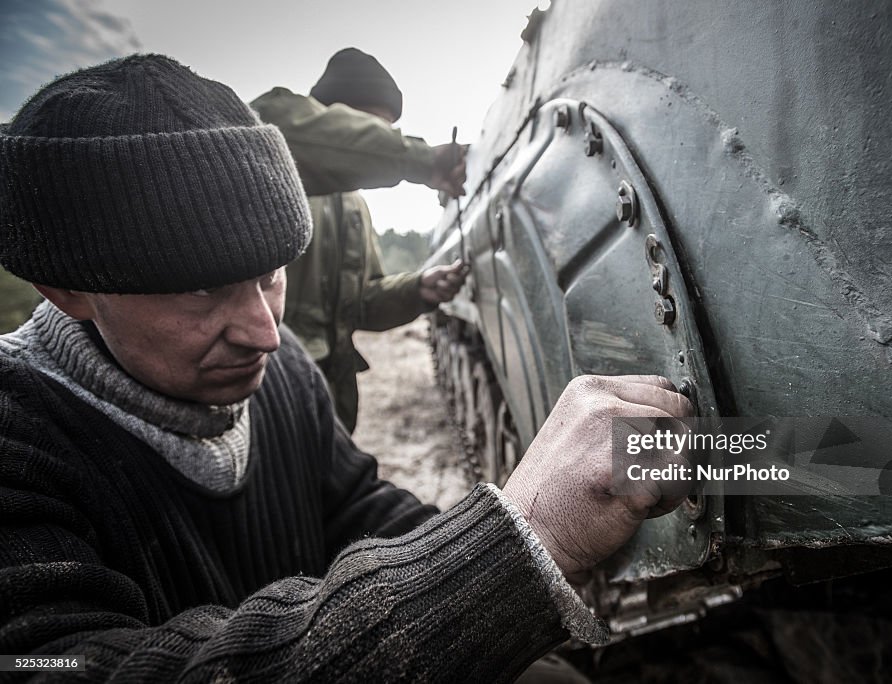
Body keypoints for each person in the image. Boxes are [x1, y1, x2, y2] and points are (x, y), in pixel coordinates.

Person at [0, 55, 692, 681]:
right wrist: (514, 547)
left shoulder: (287, 371)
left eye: (273, 277)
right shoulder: (18, 439)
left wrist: (527, 536)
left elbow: (356, 507)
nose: (266, 334)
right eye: (204, 290)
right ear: (67, 289)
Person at [251, 48, 467, 432]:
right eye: (374, 128)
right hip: (264, 390)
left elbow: (362, 303)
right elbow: (287, 124)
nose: (383, 140)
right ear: (331, 116)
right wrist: (420, 159)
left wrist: (419, 289)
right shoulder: (269, 143)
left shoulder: (355, 209)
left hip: (329, 402)